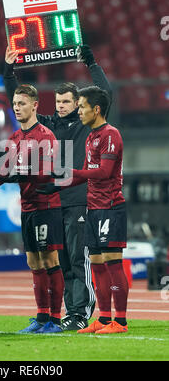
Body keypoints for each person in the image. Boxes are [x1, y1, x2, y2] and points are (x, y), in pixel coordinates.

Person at [3, 45, 112, 331]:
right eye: (58, 101)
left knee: (78, 259)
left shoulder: (86, 125)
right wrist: (9, 72)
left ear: (78, 104)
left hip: (78, 200)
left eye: (66, 101)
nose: (61, 106)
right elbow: (20, 104)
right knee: (60, 262)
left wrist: (92, 63)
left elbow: (105, 95)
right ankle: (64, 313)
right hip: (51, 202)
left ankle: (80, 313)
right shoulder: (48, 124)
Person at [38, 86, 129, 334]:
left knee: (113, 263)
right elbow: (84, 177)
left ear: (96, 109)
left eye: (82, 107)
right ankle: (103, 318)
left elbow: (104, 173)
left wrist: (70, 173)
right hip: (93, 207)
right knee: (97, 264)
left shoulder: (111, 134)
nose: (79, 112)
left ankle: (120, 322)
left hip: (110, 207)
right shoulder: (91, 136)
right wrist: (55, 186)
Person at [0, 84, 65, 334]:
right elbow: (3, 173)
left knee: (50, 258)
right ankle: (41, 317)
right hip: (27, 207)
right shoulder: (13, 139)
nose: (17, 108)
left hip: (46, 206)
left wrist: (16, 173)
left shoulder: (46, 135)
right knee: (33, 261)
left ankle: (56, 318)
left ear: (35, 105)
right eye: (15, 104)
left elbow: (47, 173)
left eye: (21, 103)